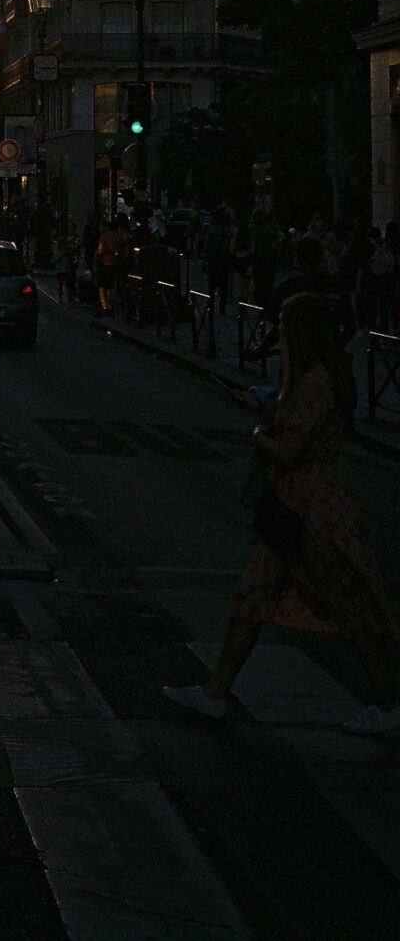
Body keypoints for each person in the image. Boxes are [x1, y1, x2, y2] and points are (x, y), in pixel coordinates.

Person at [164, 293, 399, 735]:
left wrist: (258, 434)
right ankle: (215, 693)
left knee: (354, 609)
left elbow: (290, 451)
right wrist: (266, 406)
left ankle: (390, 705)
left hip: (311, 514)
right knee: (252, 597)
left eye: (285, 326)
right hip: (294, 510)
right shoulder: (311, 380)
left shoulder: (313, 384)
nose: (279, 335)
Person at [204, 206, 236, 318]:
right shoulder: (227, 231)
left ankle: (210, 306)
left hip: (213, 259)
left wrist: (206, 260)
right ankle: (222, 308)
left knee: (211, 285)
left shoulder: (211, 230)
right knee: (224, 285)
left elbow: (207, 248)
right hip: (224, 259)